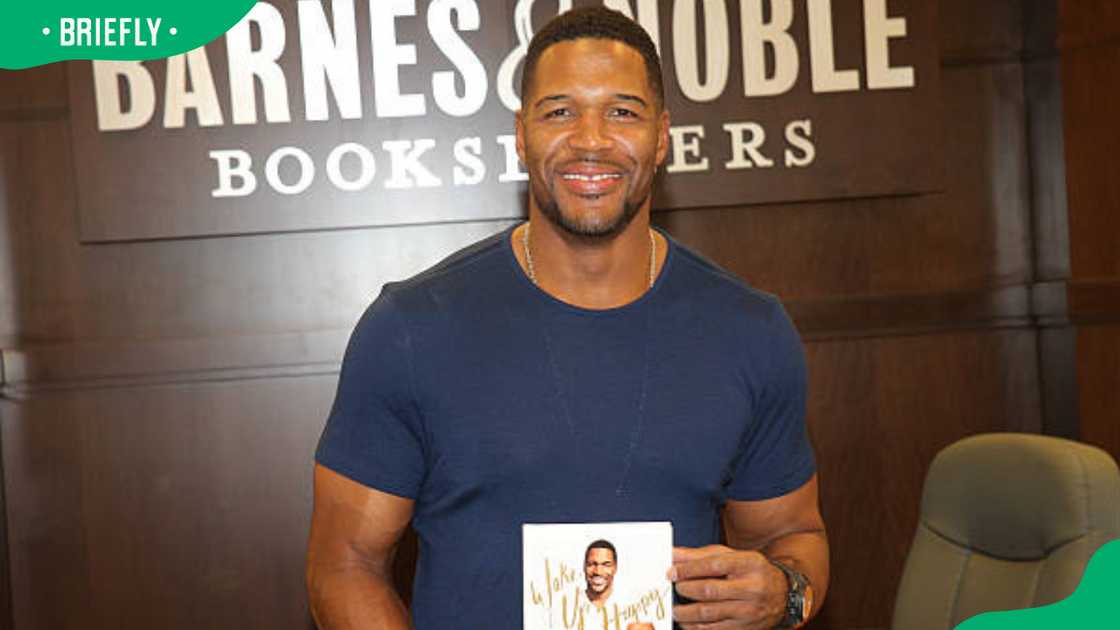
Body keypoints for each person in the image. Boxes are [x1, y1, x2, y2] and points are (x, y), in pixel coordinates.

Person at [306, 7, 828, 630]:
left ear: (662, 137)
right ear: (521, 135)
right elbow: (344, 563)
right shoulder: (411, 328)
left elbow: (793, 535)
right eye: (560, 111)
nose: (591, 139)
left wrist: (785, 593)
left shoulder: (750, 331)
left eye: (622, 112)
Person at [584, 540, 618, 609]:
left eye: (606, 565)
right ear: (584, 567)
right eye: (592, 564)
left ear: (615, 568)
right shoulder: (565, 606)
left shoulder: (632, 607)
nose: (598, 572)